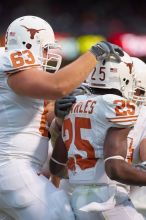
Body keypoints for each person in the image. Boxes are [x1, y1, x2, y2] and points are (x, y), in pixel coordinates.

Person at [0, 14, 123, 220]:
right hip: (11, 166)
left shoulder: (21, 78)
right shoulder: (13, 59)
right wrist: (93, 54)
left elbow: (37, 115)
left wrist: (58, 116)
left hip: (16, 167)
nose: (51, 54)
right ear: (28, 42)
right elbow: (58, 86)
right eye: (47, 47)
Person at [49, 52, 144, 219]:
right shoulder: (118, 107)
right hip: (108, 198)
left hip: (76, 198)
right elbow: (115, 169)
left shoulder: (76, 103)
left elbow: (56, 167)